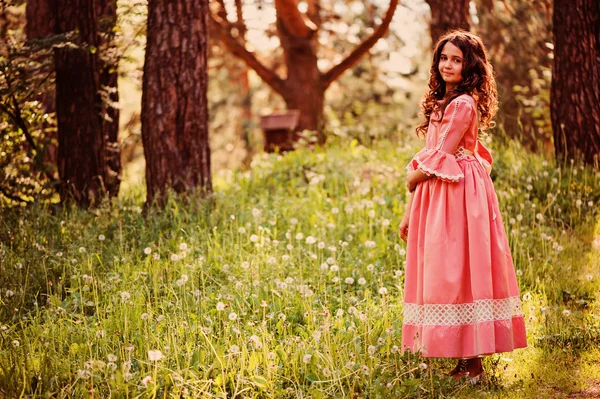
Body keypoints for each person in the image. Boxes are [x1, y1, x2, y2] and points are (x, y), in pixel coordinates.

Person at [398, 31, 527, 383]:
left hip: (459, 190)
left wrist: (412, 179)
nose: (448, 65)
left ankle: (473, 364)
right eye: (444, 58)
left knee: (462, 268)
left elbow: (442, 153)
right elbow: (433, 155)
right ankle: (462, 358)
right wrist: (410, 210)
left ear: (470, 65)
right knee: (445, 270)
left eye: (456, 59)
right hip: (439, 187)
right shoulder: (445, 101)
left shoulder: (463, 104)